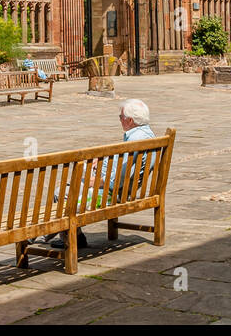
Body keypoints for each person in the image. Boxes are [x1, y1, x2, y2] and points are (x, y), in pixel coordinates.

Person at [48, 99, 157, 250]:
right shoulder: (149, 135)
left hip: (116, 194)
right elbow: (126, 166)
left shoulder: (134, 142)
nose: (120, 120)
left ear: (130, 120)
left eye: (121, 117)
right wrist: (103, 161)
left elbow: (118, 180)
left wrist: (93, 182)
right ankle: (58, 235)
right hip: (130, 190)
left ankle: (71, 238)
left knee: (62, 193)